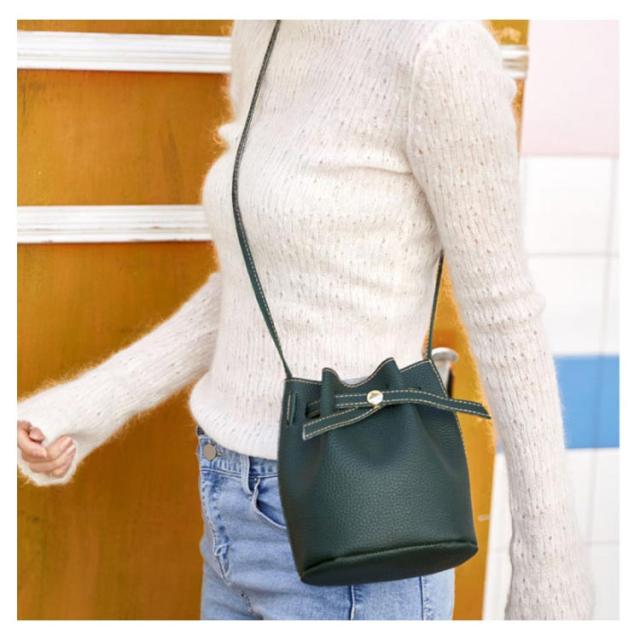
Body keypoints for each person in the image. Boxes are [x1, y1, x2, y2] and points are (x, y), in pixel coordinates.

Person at [17, 19, 595, 620]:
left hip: (362, 526)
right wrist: (82, 408)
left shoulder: (435, 47)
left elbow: (504, 312)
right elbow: (256, 288)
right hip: (230, 501)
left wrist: (547, 567)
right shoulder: (264, 28)